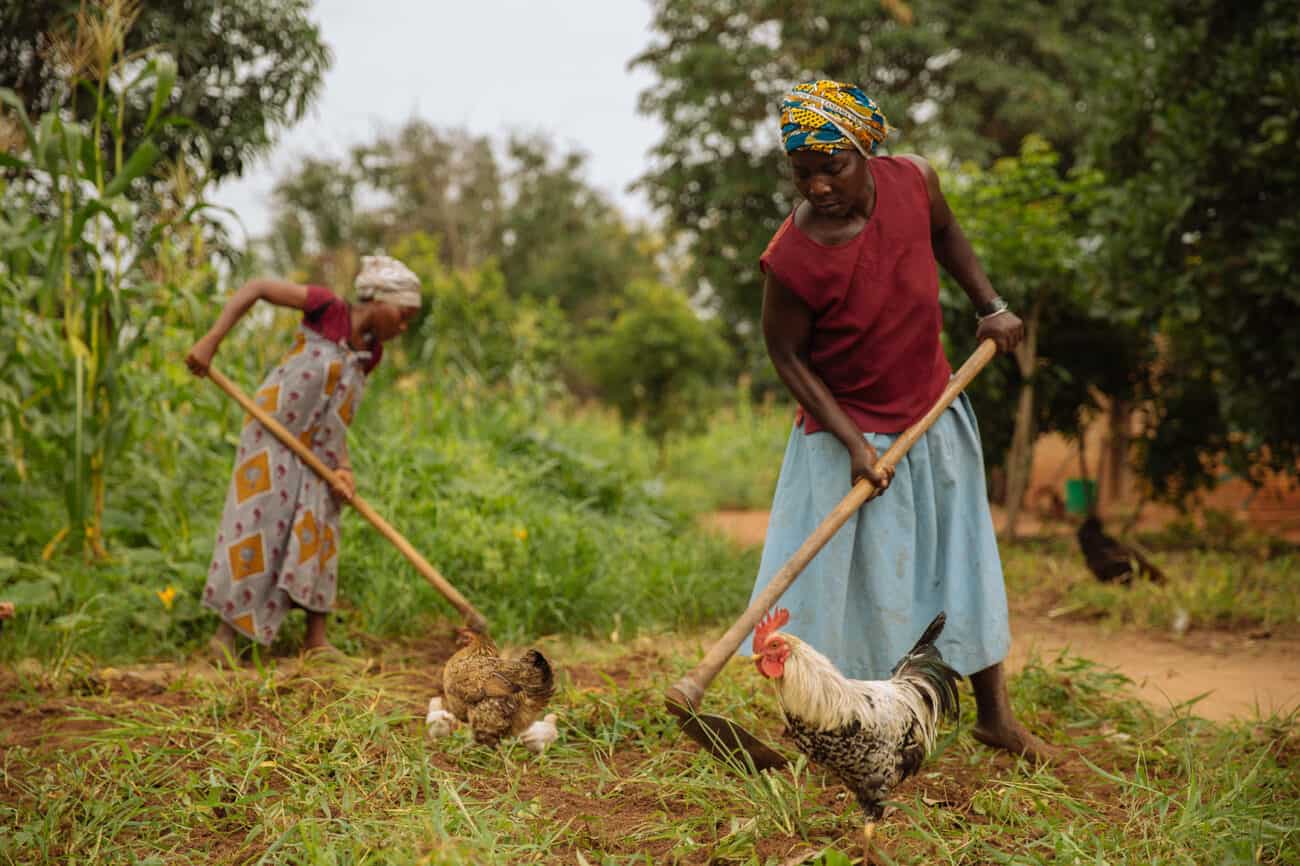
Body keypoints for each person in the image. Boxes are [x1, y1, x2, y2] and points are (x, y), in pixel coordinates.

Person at [741, 80, 1053, 761]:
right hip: (842, 436)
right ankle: (831, 729)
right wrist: (854, 442)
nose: (818, 185)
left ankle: (995, 715)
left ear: (865, 149)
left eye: (833, 166)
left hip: (931, 412)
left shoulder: (914, 183)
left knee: (959, 562)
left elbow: (946, 234)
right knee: (837, 589)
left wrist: (990, 304)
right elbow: (786, 356)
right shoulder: (792, 257)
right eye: (803, 173)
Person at [185, 255, 422, 659]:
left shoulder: (371, 354)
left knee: (323, 523)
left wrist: (342, 467)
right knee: (257, 523)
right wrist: (211, 340)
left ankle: (316, 641)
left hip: (322, 449)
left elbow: (340, 415)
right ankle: (224, 637)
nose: (402, 327)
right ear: (379, 300)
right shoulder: (326, 308)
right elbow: (256, 288)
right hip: (272, 432)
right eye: (402, 315)